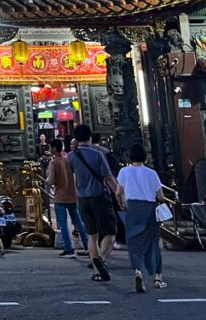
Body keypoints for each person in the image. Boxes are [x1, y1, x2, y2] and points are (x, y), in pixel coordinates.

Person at [69, 124, 120, 282]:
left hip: (82, 199)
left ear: (76, 139)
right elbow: (108, 178)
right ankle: (101, 258)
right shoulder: (98, 154)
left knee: (92, 236)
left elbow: (72, 178)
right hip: (99, 196)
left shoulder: (71, 156)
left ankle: (97, 271)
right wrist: (119, 195)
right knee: (110, 232)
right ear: (90, 136)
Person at [116, 144, 166, 292]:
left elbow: (118, 192)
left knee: (133, 242)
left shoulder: (124, 171)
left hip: (132, 208)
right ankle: (158, 277)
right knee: (152, 242)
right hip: (149, 208)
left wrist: (122, 202)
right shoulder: (151, 173)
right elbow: (160, 196)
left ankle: (138, 270)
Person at [46, 138, 88, 258]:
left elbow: (51, 180)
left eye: (50, 147)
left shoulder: (54, 163)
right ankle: (86, 245)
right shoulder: (68, 160)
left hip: (60, 197)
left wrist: (47, 180)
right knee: (78, 221)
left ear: (54, 148)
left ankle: (68, 248)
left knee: (63, 224)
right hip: (72, 195)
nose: (49, 149)